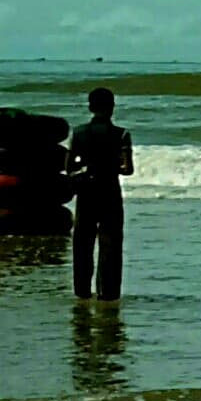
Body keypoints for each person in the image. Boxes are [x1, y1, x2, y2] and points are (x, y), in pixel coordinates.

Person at [65, 86, 133, 301]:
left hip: (86, 191)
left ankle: (82, 291)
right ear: (112, 108)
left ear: (90, 107)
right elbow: (128, 169)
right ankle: (108, 292)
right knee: (111, 245)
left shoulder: (78, 133)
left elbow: (69, 167)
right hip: (110, 192)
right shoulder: (121, 134)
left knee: (82, 244)